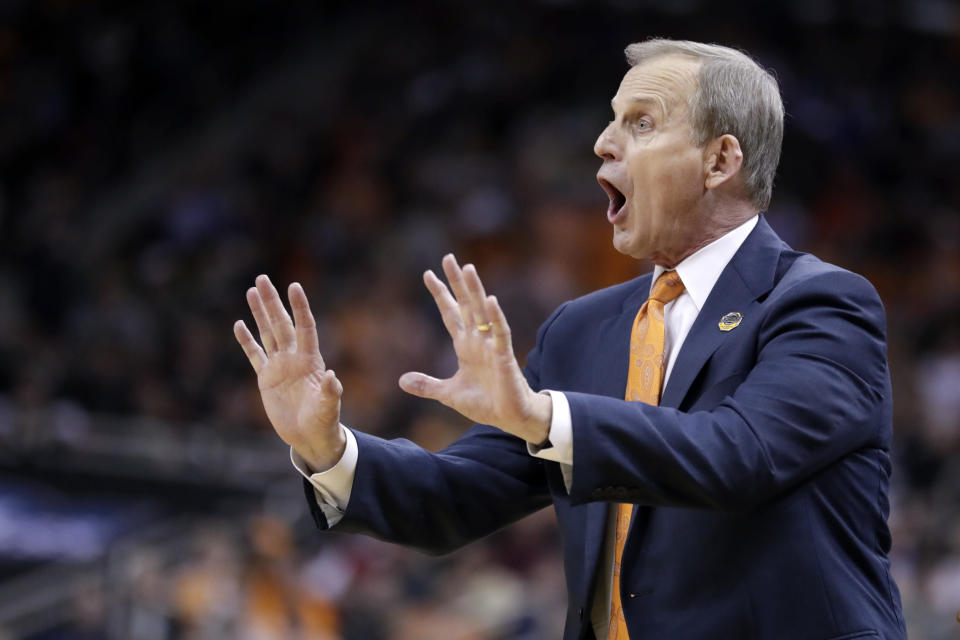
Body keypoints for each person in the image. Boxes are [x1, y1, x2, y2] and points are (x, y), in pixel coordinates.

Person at [233, 38, 906, 640]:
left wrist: (542, 415)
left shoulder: (822, 305)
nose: (603, 142)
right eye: (611, 119)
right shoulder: (582, 330)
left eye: (640, 122)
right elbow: (455, 496)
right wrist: (326, 448)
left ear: (720, 159)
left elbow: (739, 455)